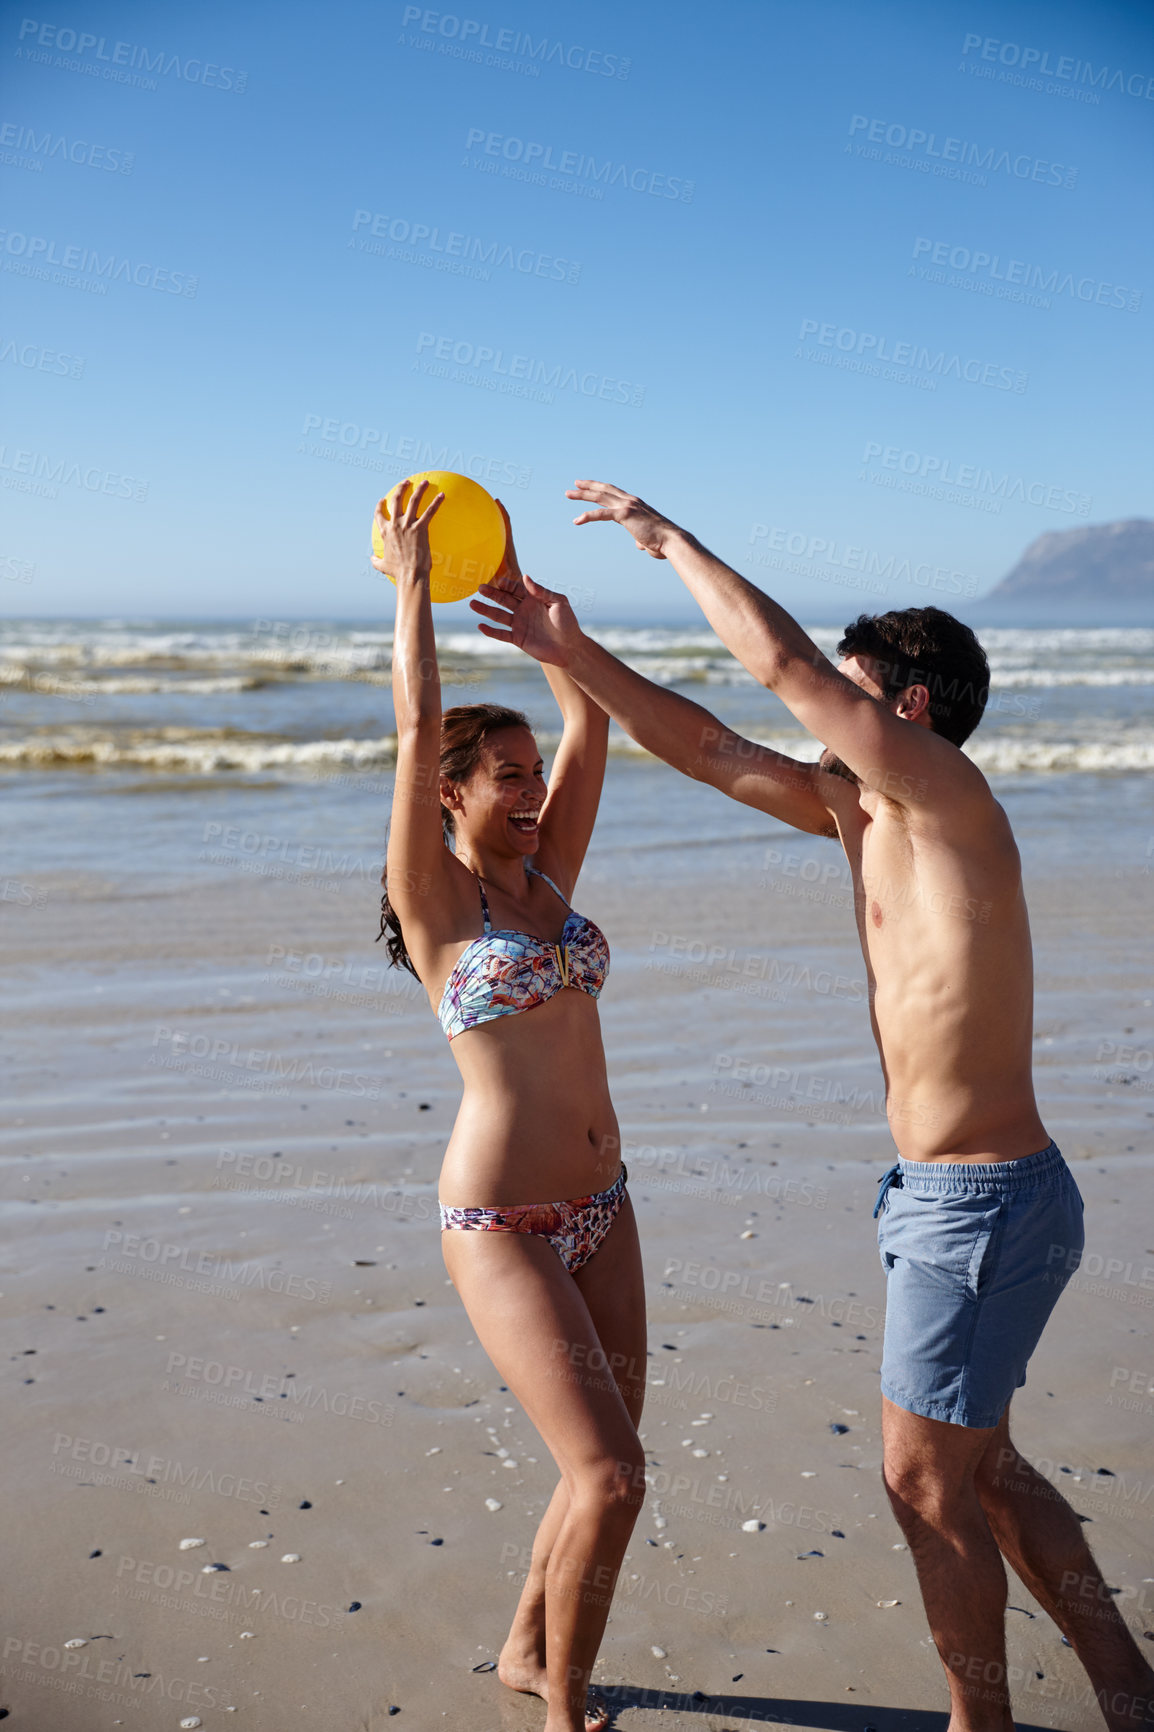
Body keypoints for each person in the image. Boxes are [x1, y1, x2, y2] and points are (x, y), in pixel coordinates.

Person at [471, 479, 1154, 1732]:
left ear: (902, 708)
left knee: (920, 1479)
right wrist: (574, 653)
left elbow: (778, 665)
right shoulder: (859, 809)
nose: (813, 702)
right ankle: (1125, 1689)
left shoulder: (945, 796)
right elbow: (707, 747)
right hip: (955, 1198)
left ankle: (977, 1723)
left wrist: (664, 538)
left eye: (849, 687)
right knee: (979, 1467)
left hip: (982, 1202)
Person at [374, 480, 645, 1732]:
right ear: (448, 794)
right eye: (503, 778)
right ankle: (562, 1715)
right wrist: (417, 589)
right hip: (502, 1222)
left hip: (605, 1205)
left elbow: (591, 732)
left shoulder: (546, 878)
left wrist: (536, 610)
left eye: (530, 774)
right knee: (609, 1473)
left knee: (594, 1472)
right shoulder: (439, 906)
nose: (530, 790)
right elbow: (415, 715)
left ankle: (528, 1650)